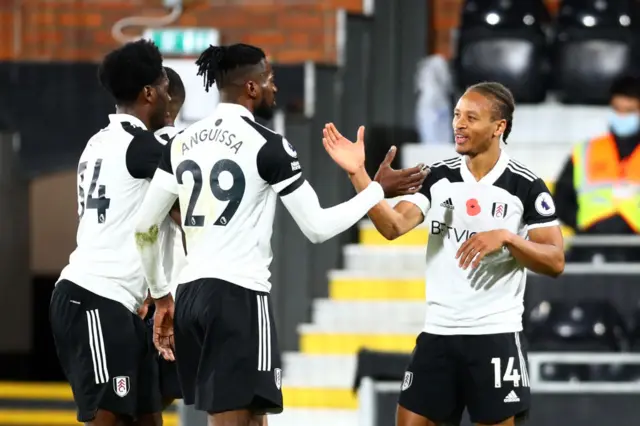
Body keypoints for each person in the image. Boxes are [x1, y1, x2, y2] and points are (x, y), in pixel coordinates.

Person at [133, 43, 427, 426]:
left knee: (254, 418)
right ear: (251, 88)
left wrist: (161, 295)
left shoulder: (181, 142)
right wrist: (375, 190)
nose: (274, 87)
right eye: (269, 79)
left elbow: (144, 226)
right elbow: (317, 228)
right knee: (233, 420)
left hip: (190, 296)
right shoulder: (268, 145)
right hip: (237, 296)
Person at [323, 81, 565, 426]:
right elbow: (393, 226)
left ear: (499, 127)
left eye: (471, 117)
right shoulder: (438, 176)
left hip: (494, 336)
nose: (459, 124)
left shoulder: (524, 185)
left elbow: (555, 260)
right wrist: (358, 174)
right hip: (438, 335)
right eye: (456, 115)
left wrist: (508, 239)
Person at [49, 39, 171, 426]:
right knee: (109, 418)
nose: (170, 97)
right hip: (94, 300)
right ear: (149, 92)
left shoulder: (96, 143)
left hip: (118, 305)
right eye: (166, 86)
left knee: (149, 417)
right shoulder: (141, 147)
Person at [554, 74, 640, 262]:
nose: (622, 116)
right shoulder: (585, 151)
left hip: (635, 245)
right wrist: (582, 224)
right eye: (617, 110)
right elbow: (560, 200)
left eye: (630, 111)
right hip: (590, 242)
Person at [144, 66, 188, 409]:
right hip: (191, 292)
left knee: (146, 402)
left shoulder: (160, 147)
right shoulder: (191, 148)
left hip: (165, 297)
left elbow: (187, 219)